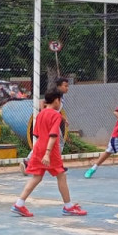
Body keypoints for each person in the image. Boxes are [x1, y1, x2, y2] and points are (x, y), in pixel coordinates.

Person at [12, 89, 86, 217]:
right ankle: (68, 207)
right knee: (61, 175)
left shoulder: (41, 114)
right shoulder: (56, 115)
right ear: (57, 100)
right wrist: (47, 153)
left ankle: (19, 204)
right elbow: (52, 135)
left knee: (37, 177)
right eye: (60, 100)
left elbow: (36, 133)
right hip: (50, 150)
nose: (61, 102)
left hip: (38, 147)